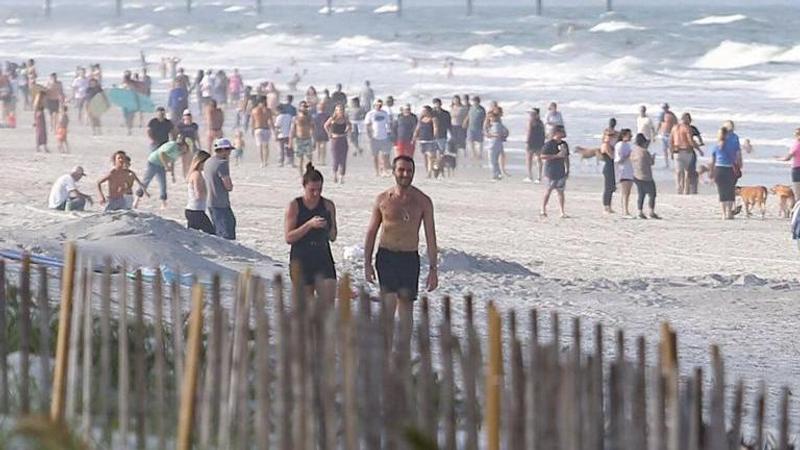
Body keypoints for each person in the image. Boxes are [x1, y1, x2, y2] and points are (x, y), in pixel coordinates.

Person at [364, 155, 438, 332]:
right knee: (388, 306)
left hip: (409, 258)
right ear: (394, 172)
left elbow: (430, 236)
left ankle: (403, 354)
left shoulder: (423, 201)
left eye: (409, 171)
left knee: (406, 310)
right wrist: (367, 263)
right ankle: (386, 353)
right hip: (386, 256)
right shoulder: (383, 199)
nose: (405, 174)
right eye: (401, 170)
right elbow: (372, 231)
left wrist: (433, 270)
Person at [285, 163, 338, 300]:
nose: (316, 194)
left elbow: (333, 236)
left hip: (322, 255)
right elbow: (289, 237)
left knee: (328, 303)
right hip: (301, 256)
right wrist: (309, 225)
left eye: (319, 190)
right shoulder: (295, 205)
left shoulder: (328, 205)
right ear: (304, 187)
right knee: (305, 307)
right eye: (312, 190)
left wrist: (328, 226)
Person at [134, 135, 190, 209]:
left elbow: (172, 161)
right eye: (186, 147)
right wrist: (166, 165)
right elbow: (161, 153)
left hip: (161, 165)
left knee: (163, 183)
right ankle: (137, 200)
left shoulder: (179, 152)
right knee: (146, 181)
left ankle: (164, 203)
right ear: (183, 145)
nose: (185, 150)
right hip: (153, 162)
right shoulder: (172, 145)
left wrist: (172, 174)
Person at [204, 138, 237, 239]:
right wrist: (230, 185)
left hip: (210, 201)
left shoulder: (208, 161)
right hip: (220, 203)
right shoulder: (222, 163)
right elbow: (228, 185)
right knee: (226, 231)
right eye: (228, 150)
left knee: (219, 228)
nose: (229, 153)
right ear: (222, 150)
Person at [710, 126, 740, 220]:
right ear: (727, 135)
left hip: (719, 169)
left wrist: (711, 172)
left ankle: (723, 214)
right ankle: (729, 213)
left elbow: (712, 161)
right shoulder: (731, 145)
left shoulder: (715, 146)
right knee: (730, 191)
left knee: (722, 192)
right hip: (729, 169)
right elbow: (736, 157)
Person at [540, 126, 569, 218]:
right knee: (548, 190)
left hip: (560, 170)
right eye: (562, 132)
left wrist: (568, 169)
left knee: (561, 191)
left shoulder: (564, 144)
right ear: (556, 133)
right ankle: (543, 209)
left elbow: (566, 157)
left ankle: (562, 211)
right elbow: (542, 156)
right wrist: (556, 156)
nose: (564, 133)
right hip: (551, 170)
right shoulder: (549, 144)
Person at [630, 133, 660, 219]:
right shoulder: (644, 152)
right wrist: (653, 157)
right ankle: (651, 211)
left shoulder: (634, 151)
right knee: (652, 194)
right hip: (646, 176)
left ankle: (640, 211)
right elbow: (651, 163)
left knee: (641, 194)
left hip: (636, 175)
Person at [185, 151, 215, 234]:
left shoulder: (195, 174)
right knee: (212, 234)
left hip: (194, 210)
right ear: (201, 162)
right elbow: (199, 195)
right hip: (195, 211)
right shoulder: (197, 175)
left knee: (192, 236)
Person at [670, 113, 700, 195]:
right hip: (687, 151)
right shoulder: (687, 128)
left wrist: (671, 152)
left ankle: (679, 188)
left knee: (678, 172)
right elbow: (690, 141)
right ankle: (685, 190)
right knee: (687, 172)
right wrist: (699, 149)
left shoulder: (674, 128)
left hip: (677, 151)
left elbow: (671, 141)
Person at [324, 104, 351, 183]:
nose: (340, 111)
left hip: (343, 139)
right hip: (335, 140)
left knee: (343, 159)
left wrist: (347, 132)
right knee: (336, 159)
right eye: (338, 110)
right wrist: (329, 133)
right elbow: (325, 125)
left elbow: (350, 125)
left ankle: (342, 177)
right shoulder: (332, 119)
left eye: (341, 109)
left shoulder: (345, 119)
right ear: (336, 111)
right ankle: (335, 175)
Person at [365, 99, 392, 177]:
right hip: (374, 137)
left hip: (384, 136)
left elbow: (389, 124)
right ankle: (377, 171)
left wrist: (389, 133)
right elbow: (367, 125)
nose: (379, 106)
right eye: (377, 105)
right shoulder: (370, 114)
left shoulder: (385, 113)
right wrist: (369, 135)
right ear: (374, 105)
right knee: (375, 156)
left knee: (385, 155)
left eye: (380, 105)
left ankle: (384, 170)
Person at [600, 118, 619, 214]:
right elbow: (611, 156)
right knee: (608, 186)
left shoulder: (612, 143)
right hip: (608, 167)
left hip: (612, 166)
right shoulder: (605, 145)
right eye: (609, 136)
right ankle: (606, 206)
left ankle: (609, 205)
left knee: (612, 186)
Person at [414, 106, 440, 177]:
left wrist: (435, 136)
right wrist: (414, 137)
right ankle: (428, 171)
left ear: (428, 111)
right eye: (422, 111)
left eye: (424, 111)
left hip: (430, 140)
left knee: (431, 156)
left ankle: (430, 172)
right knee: (425, 157)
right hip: (422, 140)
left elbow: (435, 128)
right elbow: (417, 129)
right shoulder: (421, 119)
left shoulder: (433, 119)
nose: (422, 112)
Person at [614, 129, 634, 217]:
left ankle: (626, 210)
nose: (631, 137)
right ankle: (625, 211)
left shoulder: (627, 145)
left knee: (628, 192)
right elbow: (619, 160)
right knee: (625, 192)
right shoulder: (620, 145)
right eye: (629, 135)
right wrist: (628, 155)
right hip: (623, 170)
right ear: (624, 135)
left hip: (629, 169)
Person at [250, 96, 275, 168]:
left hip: (258, 129)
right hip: (266, 128)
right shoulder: (268, 110)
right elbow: (271, 121)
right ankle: (265, 161)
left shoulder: (254, 110)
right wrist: (274, 131)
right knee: (266, 146)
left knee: (260, 146)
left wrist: (252, 130)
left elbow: (252, 122)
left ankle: (262, 162)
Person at [290, 101, 315, 174]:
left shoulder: (310, 117)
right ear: (300, 107)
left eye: (306, 107)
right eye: (303, 106)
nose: (304, 108)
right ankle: (301, 175)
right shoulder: (295, 118)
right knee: (300, 159)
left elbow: (313, 129)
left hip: (308, 139)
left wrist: (314, 140)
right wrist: (290, 141)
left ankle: (309, 173)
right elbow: (292, 130)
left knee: (309, 159)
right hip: (299, 140)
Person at [776, 127, 800, 201]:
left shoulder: (796, 145)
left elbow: (787, 158)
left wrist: (779, 159)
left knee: (798, 194)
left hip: (797, 169)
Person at [176, 110, 200, 177]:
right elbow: (177, 135)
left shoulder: (194, 125)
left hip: (192, 144)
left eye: (189, 115)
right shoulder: (180, 125)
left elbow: (196, 135)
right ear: (183, 116)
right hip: (183, 145)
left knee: (191, 161)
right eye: (186, 115)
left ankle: (190, 175)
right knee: (184, 162)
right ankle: (185, 175)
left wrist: (199, 144)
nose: (188, 116)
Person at [525, 107, 546, 183]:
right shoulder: (540, 122)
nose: (530, 115)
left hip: (532, 142)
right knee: (539, 159)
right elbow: (543, 133)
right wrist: (543, 142)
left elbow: (529, 132)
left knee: (529, 159)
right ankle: (539, 177)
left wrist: (527, 142)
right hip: (539, 142)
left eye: (531, 114)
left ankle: (530, 176)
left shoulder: (531, 121)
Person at [486, 112, 508, 180]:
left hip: (493, 144)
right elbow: (506, 131)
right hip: (498, 144)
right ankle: (498, 174)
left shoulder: (496, 125)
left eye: (491, 117)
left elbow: (497, 134)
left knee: (492, 161)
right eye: (489, 117)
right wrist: (504, 137)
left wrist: (490, 135)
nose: (490, 118)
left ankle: (496, 174)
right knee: (495, 161)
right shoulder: (499, 125)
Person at [463, 96, 486, 162]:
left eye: (476, 101)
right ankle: (473, 154)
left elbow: (485, 118)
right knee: (470, 141)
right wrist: (465, 121)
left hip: (479, 128)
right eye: (473, 101)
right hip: (470, 128)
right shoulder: (471, 108)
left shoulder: (482, 109)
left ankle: (480, 154)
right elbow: (468, 115)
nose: (474, 102)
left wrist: (485, 127)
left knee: (480, 142)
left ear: (479, 102)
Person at [658, 103, 677, 168]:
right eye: (663, 108)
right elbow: (659, 124)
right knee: (664, 150)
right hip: (663, 134)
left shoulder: (671, 115)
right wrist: (656, 132)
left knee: (671, 149)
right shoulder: (661, 115)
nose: (664, 109)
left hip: (670, 134)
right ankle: (667, 164)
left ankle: (674, 163)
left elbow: (676, 124)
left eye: (665, 108)